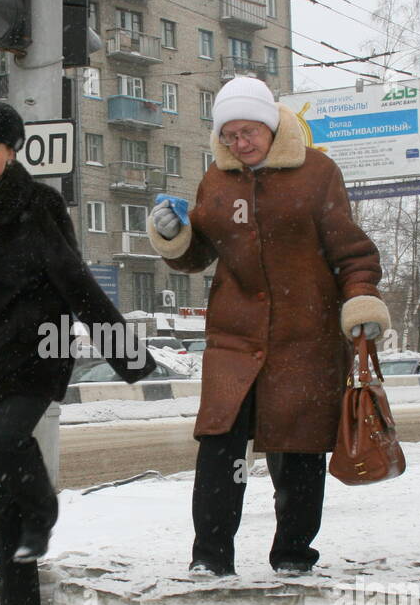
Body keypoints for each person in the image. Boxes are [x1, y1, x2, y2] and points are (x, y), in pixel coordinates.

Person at [0, 98, 154, 605]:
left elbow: (74, 279)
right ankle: (16, 602)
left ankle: (43, 512)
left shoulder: (38, 204)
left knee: (5, 441)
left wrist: (126, 352)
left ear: (11, 152)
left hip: (35, 351)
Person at [147, 77, 389, 577]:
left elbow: (352, 251)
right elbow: (197, 254)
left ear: (271, 124)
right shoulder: (215, 180)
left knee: (297, 451)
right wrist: (174, 233)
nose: (240, 142)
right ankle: (209, 559)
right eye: (230, 134)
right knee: (219, 448)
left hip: (305, 337)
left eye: (249, 130)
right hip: (234, 338)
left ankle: (294, 555)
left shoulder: (318, 173)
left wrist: (361, 300)